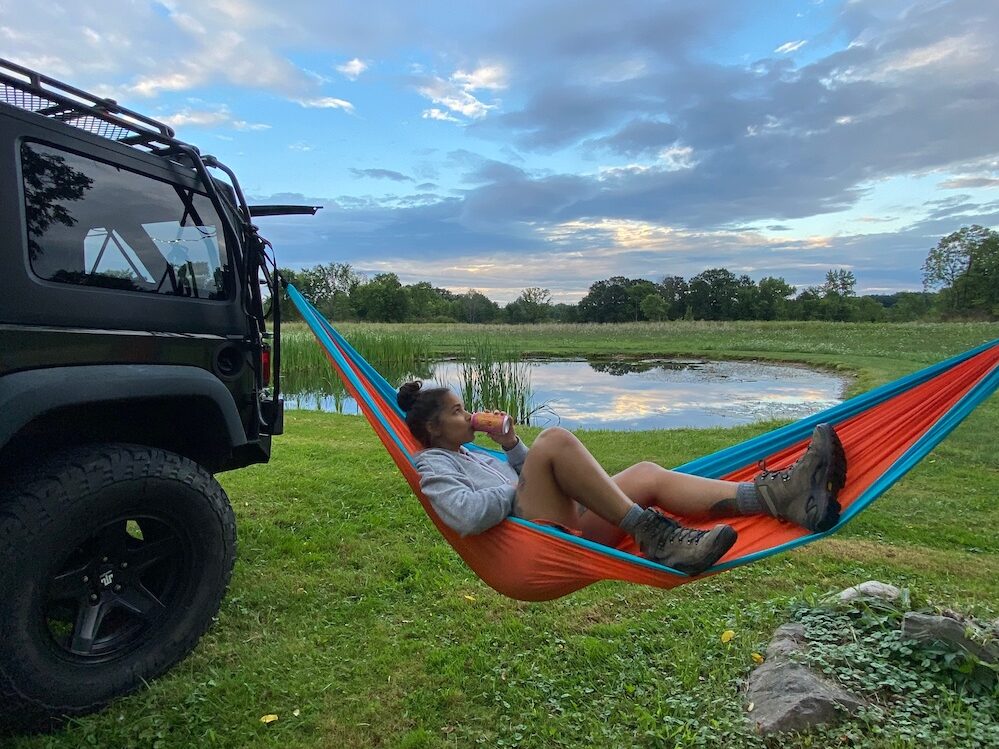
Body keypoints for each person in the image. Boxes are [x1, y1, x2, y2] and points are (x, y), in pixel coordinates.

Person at [399, 381, 846, 576]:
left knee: (647, 473)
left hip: (560, 524)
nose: (468, 414)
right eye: (458, 411)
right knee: (554, 440)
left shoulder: (473, 454)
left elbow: (531, 480)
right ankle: (654, 534)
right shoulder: (433, 465)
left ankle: (777, 496)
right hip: (534, 547)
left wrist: (511, 444)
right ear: (434, 428)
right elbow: (465, 515)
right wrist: (516, 486)